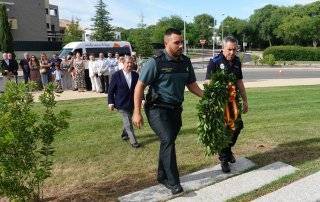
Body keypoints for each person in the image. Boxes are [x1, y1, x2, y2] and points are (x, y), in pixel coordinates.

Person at [132, 28, 203, 195]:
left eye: (182, 42)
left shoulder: (185, 62)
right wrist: (136, 111)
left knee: (167, 142)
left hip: (176, 110)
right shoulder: (155, 62)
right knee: (168, 139)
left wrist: (207, 97)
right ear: (166, 43)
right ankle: (173, 182)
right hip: (157, 109)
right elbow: (139, 86)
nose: (181, 46)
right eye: (177, 42)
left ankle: (161, 175)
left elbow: (192, 85)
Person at [205, 36, 249, 173]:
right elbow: (208, 83)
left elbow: (240, 82)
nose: (232, 52)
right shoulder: (215, 62)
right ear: (222, 48)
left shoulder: (236, 61)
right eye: (229, 49)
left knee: (238, 126)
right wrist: (210, 102)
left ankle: (228, 151)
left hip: (233, 101)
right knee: (226, 129)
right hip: (220, 103)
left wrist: (245, 100)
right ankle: (224, 159)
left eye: (234, 49)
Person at [108, 56, 141, 148]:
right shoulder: (116, 75)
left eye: (131, 63)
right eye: (128, 63)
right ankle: (134, 142)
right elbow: (111, 90)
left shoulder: (135, 75)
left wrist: (142, 99)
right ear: (123, 63)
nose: (130, 65)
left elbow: (139, 89)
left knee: (128, 120)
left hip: (132, 103)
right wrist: (110, 102)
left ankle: (124, 134)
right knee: (128, 122)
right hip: (121, 103)